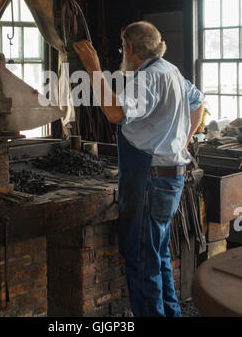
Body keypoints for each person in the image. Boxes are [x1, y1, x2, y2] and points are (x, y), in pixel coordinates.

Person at [73, 21, 205, 317]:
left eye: (123, 47)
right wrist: (181, 144)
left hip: (150, 180)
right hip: (170, 177)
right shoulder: (171, 72)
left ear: (130, 48)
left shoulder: (145, 80)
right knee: (156, 257)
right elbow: (199, 104)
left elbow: (115, 113)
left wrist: (93, 67)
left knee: (142, 260)